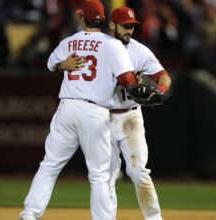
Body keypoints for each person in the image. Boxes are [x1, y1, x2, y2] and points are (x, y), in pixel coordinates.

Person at [19, 1, 137, 220]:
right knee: (99, 174)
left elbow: (51, 63)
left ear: (83, 18)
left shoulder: (69, 42)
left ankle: (30, 214)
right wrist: (138, 86)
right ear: (102, 20)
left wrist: (63, 65)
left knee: (50, 165)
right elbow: (126, 79)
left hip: (67, 108)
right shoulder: (113, 45)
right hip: (94, 112)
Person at [57, 6, 172, 220]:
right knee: (107, 175)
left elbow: (164, 76)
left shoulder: (139, 50)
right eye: (125, 26)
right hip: (102, 116)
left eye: (132, 27)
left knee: (138, 171)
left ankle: (154, 218)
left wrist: (161, 91)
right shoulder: (99, 47)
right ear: (112, 24)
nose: (129, 30)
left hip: (130, 117)